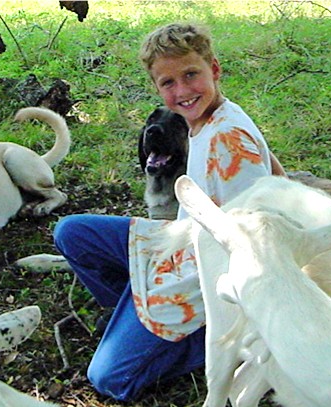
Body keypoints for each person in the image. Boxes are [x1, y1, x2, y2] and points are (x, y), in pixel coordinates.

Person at [53, 22, 285, 401]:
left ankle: (203, 340)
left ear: (214, 68)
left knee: (108, 378)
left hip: (197, 275)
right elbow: (277, 171)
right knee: (71, 232)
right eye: (168, 83)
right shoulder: (211, 117)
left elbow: (246, 245)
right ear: (157, 89)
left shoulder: (228, 140)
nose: (182, 91)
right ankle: (132, 315)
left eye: (191, 74)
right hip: (179, 240)